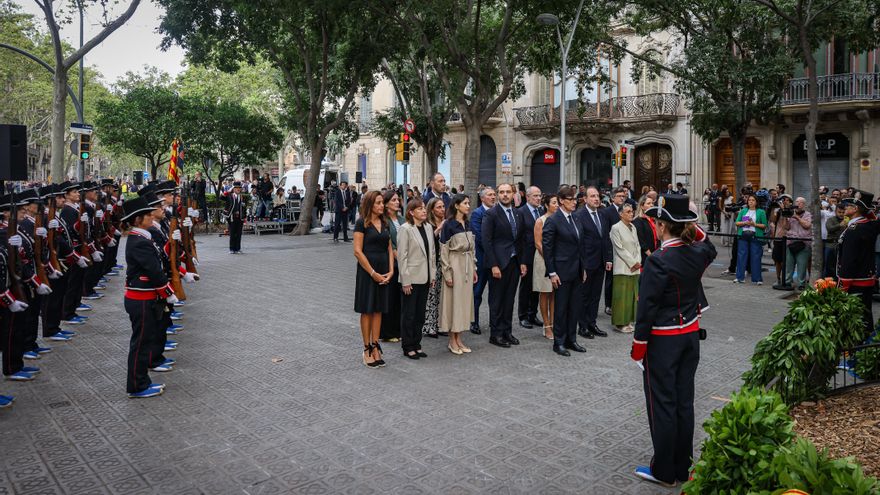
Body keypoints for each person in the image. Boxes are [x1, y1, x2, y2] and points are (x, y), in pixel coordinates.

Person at [630, 193, 717, 487]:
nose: (655, 225)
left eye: (658, 221)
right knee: (684, 403)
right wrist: (690, 224)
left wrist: (639, 345)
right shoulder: (697, 253)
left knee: (663, 405)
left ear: (662, 226)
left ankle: (665, 471)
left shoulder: (658, 260)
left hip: (663, 341)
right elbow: (709, 245)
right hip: (690, 336)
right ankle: (683, 467)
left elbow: (646, 308)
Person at [121, 196, 178, 398]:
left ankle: (142, 381)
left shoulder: (142, 238)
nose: (150, 217)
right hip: (141, 298)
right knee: (141, 344)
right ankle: (137, 385)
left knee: (144, 341)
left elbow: (159, 261)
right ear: (138, 220)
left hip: (144, 297)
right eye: (146, 215)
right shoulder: (139, 241)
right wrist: (168, 292)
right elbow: (153, 270)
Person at [542, 187, 587, 356]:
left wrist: (583, 268)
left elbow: (581, 245)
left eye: (575, 199)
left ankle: (571, 339)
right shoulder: (553, 220)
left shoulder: (575, 218)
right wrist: (552, 272)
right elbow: (548, 249)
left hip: (576, 270)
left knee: (574, 307)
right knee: (561, 308)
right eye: (570, 199)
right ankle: (559, 342)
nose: (574, 202)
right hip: (561, 271)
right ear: (561, 200)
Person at [481, 183, 527, 348]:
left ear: (513, 194)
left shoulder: (518, 213)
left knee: (509, 299)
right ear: (498, 195)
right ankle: (496, 334)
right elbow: (486, 241)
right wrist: (493, 265)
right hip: (498, 264)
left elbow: (521, 239)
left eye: (508, 192)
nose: (505, 195)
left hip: (514, 262)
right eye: (501, 192)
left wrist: (522, 262)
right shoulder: (491, 214)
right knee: (497, 300)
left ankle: (507, 331)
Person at [353, 191, 392, 368]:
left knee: (378, 310)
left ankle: (376, 346)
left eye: (382, 202)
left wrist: (391, 270)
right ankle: (367, 348)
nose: (382, 205)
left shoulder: (385, 222)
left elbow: (389, 248)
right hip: (367, 272)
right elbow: (357, 251)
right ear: (370, 204)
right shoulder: (361, 223)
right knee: (367, 309)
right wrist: (373, 273)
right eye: (378, 203)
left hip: (383, 270)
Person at [837, 191, 880, 339]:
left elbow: (849, 260)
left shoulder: (854, 230)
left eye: (849, 205)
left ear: (855, 209)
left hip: (855, 281)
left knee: (856, 318)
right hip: (866, 278)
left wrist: (843, 284)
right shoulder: (869, 225)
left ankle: (858, 346)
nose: (845, 208)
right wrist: (868, 211)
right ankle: (867, 342)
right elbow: (875, 220)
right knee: (866, 315)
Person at [397, 199, 435, 360]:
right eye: (419, 209)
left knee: (420, 314)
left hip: (425, 277)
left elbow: (432, 253)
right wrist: (405, 280)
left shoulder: (428, 227)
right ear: (411, 212)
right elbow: (402, 256)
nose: (424, 211)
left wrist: (432, 275)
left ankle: (417, 344)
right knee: (409, 314)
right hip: (411, 279)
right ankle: (408, 346)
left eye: (424, 208)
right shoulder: (405, 229)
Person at [439, 194, 477, 354]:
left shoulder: (467, 223)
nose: (468, 206)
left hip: (467, 266)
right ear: (456, 205)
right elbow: (444, 251)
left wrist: (474, 268)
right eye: (465, 203)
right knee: (453, 303)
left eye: (469, 203)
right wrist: (447, 273)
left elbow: (472, 248)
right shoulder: (448, 224)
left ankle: (459, 338)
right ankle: (452, 340)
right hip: (454, 265)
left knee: (463, 303)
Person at [574, 186, 612, 340]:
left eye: (597, 196)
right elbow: (578, 242)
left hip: (601, 262)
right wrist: (581, 265)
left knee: (596, 296)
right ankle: (582, 326)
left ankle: (592, 323)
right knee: (584, 296)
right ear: (585, 199)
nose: (596, 199)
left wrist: (608, 258)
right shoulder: (579, 215)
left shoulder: (602, 214)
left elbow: (606, 238)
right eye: (592, 196)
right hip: (587, 263)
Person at [610, 202, 641, 332]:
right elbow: (619, 248)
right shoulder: (615, 228)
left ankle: (628, 321)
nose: (631, 213)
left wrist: (638, 261)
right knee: (621, 297)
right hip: (622, 267)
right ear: (621, 214)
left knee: (632, 296)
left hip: (635, 266)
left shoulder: (633, 227)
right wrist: (632, 263)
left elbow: (638, 245)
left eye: (632, 211)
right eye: (628, 212)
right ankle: (620, 323)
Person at [469, 187, 496, 334]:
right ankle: (474, 322)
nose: (493, 197)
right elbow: (479, 237)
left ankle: (494, 322)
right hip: (482, 259)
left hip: (495, 261)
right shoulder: (477, 214)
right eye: (490, 195)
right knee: (477, 292)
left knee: (494, 294)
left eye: (494, 195)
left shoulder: (497, 212)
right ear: (482, 198)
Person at [379, 190, 404, 342]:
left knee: (399, 299)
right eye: (393, 200)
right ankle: (388, 333)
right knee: (390, 298)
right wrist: (400, 259)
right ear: (386, 204)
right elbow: (391, 245)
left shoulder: (402, 219)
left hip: (404, 263)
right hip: (392, 264)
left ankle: (398, 330)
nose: (397, 202)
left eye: (397, 199)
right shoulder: (384, 221)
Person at [517, 186, 543, 329]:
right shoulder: (521, 212)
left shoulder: (541, 211)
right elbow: (519, 238)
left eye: (539, 195)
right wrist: (522, 261)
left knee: (537, 286)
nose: (538, 198)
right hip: (526, 256)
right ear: (527, 197)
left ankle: (533, 314)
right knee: (526, 287)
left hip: (540, 255)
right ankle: (523, 316)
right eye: (535, 196)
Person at [533, 194, 558, 340]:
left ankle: (553, 323)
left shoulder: (559, 220)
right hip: (543, 260)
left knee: (554, 293)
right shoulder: (540, 221)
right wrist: (549, 259)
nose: (557, 205)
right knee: (544, 292)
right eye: (554, 203)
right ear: (547, 205)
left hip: (557, 260)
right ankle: (546, 326)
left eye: (558, 202)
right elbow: (538, 243)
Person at [421, 198, 445, 338]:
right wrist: (439, 228)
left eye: (443, 206)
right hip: (432, 263)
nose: (442, 209)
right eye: (438, 207)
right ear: (432, 209)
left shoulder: (447, 222)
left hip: (444, 263)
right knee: (431, 294)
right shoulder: (427, 224)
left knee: (441, 294)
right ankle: (429, 326)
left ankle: (440, 324)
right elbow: (428, 242)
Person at [734, 195, 767, 285]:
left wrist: (754, 224)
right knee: (741, 257)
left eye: (753, 200)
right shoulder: (743, 211)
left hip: (755, 236)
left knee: (756, 257)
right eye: (749, 200)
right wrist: (744, 223)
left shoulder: (761, 212)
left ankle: (757, 279)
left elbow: (764, 225)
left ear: (756, 202)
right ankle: (739, 278)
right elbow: (737, 222)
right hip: (743, 235)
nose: (751, 202)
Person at [603, 187, 626, 315]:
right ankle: (608, 305)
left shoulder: (626, 209)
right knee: (610, 279)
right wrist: (608, 256)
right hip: (612, 249)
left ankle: (619, 303)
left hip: (624, 249)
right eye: (619, 196)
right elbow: (606, 234)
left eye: (623, 196)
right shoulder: (607, 212)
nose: (622, 198)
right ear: (612, 198)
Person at [782, 196, 812, 291]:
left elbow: (807, 225)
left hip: (803, 243)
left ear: (804, 205)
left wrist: (797, 217)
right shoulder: (791, 213)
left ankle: (801, 284)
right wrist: (785, 217)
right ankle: (788, 282)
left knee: (802, 265)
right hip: (791, 242)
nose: (798, 204)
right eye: (797, 202)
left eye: (800, 202)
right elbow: (786, 227)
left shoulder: (808, 214)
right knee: (789, 265)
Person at [769, 194, 793, 288]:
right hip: (778, 238)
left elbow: (787, 226)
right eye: (783, 200)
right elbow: (773, 220)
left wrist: (783, 209)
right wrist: (774, 209)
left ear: (790, 202)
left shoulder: (792, 211)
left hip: (789, 239)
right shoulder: (778, 210)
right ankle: (778, 278)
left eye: (787, 200)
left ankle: (787, 279)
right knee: (777, 260)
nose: (784, 201)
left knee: (787, 261)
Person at [221, 181, 246, 254]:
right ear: (233, 189)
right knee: (232, 233)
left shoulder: (242, 197)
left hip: (240, 218)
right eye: (236, 188)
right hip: (232, 217)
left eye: (239, 188)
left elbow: (244, 208)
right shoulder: (229, 196)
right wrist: (227, 191)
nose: (238, 189)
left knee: (239, 234)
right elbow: (221, 197)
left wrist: (244, 218)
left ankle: (238, 249)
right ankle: (232, 249)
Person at [633, 195, 658, 264]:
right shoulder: (638, 221)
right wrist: (651, 255)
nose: (651, 205)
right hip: (645, 256)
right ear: (642, 206)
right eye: (648, 203)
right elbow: (641, 241)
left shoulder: (654, 219)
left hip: (655, 253)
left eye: (652, 203)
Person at [824, 204, 845, 279]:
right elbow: (829, 228)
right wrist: (839, 225)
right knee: (828, 265)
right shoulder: (831, 219)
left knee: (839, 265)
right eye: (839, 212)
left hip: (842, 246)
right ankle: (827, 282)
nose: (841, 214)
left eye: (843, 212)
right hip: (831, 245)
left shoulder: (847, 220)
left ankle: (837, 281)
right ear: (835, 212)